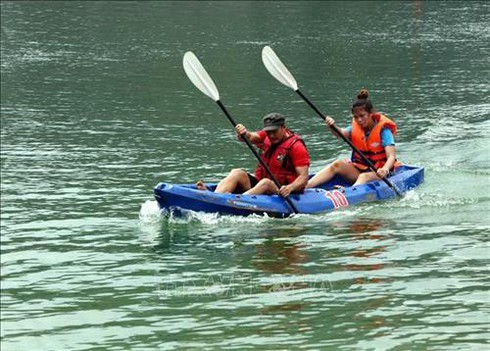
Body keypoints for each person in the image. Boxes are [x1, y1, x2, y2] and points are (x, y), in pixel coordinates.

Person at [198, 113, 310, 197]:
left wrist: (290, 188)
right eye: (268, 131)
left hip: (282, 190)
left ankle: (237, 200)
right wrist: (244, 133)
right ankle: (215, 196)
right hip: (261, 186)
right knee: (237, 173)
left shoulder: (296, 146)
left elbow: (303, 178)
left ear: (283, 127)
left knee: (265, 183)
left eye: (274, 131)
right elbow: (250, 137)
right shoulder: (266, 135)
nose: (271, 135)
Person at [307, 88, 401, 188]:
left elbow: (391, 156)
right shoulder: (355, 128)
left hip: (381, 173)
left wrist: (385, 169)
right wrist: (332, 126)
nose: (359, 120)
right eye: (356, 117)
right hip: (361, 169)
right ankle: (305, 187)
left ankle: (349, 193)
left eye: (362, 115)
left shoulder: (384, 131)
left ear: (371, 113)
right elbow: (341, 134)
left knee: (363, 177)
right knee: (337, 164)